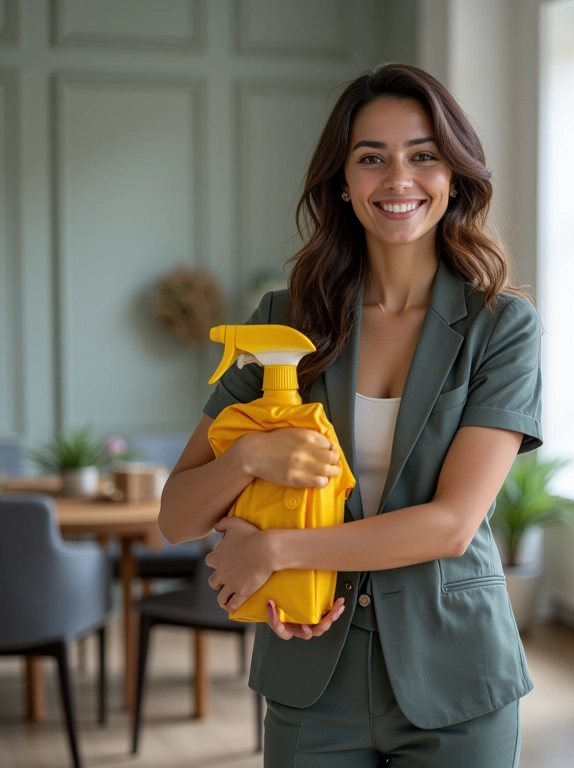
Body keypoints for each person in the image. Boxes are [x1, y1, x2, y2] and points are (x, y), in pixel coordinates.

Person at [158, 61, 544, 768]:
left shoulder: (502, 327)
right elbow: (178, 515)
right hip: (312, 685)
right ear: (343, 181)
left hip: (456, 681)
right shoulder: (282, 320)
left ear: (452, 175)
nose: (398, 179)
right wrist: (247, 459)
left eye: (422, 156)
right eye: (372, 158)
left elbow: (451, 525)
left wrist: (275, 550)